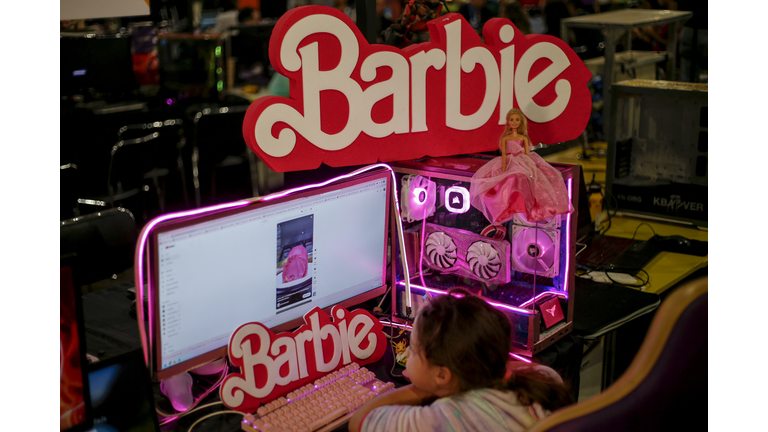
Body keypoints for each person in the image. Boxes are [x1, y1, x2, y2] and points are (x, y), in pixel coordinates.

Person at [349, 288, 572, 432]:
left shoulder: (444, 419)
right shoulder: (545, 379)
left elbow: (359, 421)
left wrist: (424, 390)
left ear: (442, 375)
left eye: (414, 350)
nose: (407, 352)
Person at [469, 108, 570, 224]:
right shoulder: (506, 138)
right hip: (509, 161)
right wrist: (504, 166)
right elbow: (504, 155)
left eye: (517, 120)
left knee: (524, 178)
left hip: (522, 161)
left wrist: (529, 166)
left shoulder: (523, 138)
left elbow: (527, 154)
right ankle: (507, 206)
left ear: (521, 122)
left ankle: (523, 205)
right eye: (512, 120)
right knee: (508, 180)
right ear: (508, 122)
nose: (514, 122)